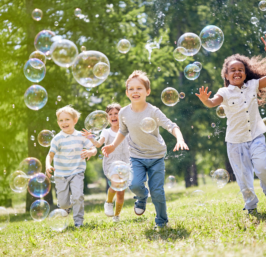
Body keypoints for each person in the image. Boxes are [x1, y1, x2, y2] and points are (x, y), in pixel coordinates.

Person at [195, 34, 266, 214]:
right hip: (235, 142)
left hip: (256, 136)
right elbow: (213, 102)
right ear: (226, 75)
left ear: (245, 72)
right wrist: (205, 100)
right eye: (232, 70)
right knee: (244, 179)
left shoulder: (253, 85)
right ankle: (251, 205)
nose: (237, 72)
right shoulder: (224, 92)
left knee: (263, 168)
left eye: (240, 69)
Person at [102, 70, 189, 229]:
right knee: (134, 185)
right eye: (131, 89)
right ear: (127, 92)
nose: (135, 91)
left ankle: (161, 222)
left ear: (147, 91)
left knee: (157, 192)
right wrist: (112, 145)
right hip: (136, 156)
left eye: (139, 88)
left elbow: (171, 125)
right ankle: (142, 197)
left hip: (156, 156)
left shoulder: (153, 111)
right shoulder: (123, 113)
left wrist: (180, 138)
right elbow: (123, 131)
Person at [46, 105, 97, 228]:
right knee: (63, 203)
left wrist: (91, 152)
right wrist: (48, 165)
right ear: (58, 122)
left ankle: (78, 221)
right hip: (61, 174)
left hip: (77, 172)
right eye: (61, 120)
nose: (64, 122)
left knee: (78, 196)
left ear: (74, 120)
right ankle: (66, 208)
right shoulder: (57, 139)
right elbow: (50, 154)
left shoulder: (81, 136)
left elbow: (93, 148)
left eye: (67, 119)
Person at [82, 103, 129, 222]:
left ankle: (117, 216)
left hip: (125, 162)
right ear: (107, 118)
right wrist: (91, 138)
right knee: (115, 184)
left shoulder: (127, 130)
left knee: (121, 193)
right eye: (110, 114)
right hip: (111, 162)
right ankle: (108, 202)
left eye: (116, 113)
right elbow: (98, 144)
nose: (113, 116)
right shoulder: (106, 132)